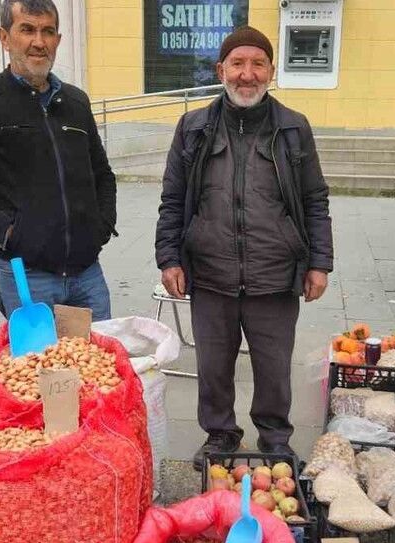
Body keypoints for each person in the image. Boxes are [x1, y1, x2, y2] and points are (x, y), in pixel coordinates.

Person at [154, 26, 333, 469]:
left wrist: (320, 263)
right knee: (213, 366)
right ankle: (220, 435)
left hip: (274, 273)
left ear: (271, 71)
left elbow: (315, 198)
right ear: (221, 70)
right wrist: (169, 257)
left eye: (257, 64)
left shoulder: (293, 128)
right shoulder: (194, 127)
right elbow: (173, 198)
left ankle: (275, 439)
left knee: (274, 366)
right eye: (238, 64)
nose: (247, 74)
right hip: (210, 272)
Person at [0, 0, 117, 320]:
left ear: (58, 40)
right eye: (27, 30)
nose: (39, 41)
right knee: (36, 355)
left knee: (96, 353)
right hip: (27, 275)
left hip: (87, 274)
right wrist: (9, 234)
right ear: (4, 37)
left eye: (47, 31)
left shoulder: (76, 102)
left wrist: (101, 227)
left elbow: (102, 174)